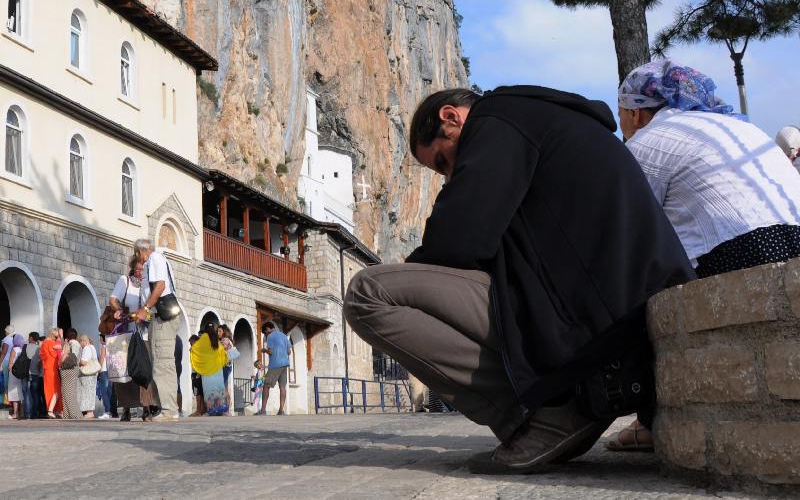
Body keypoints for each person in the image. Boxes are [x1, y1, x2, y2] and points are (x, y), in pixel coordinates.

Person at [343, 86, 695, 474]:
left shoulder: (497, 119)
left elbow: (459, 238)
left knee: (368, 293)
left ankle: (549, 416)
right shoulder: (541, 121)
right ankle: (549, 413)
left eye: (444, 162)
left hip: (596, 333)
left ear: (451, 117)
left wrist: (415, 270)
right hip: (609, 319)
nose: (449, 177)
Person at [613, 58, 800, 450]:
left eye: (621, 116)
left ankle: (649, 419)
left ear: (635, 111)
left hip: (739, 251)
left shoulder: (647, 143)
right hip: (793, 242)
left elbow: (623, 230)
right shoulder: (740, 127)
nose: (623, 127)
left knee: (625, 285)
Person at [133, 238, 182, 421]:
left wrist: (144, 309)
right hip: (158, 318)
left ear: (139, 252)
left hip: (162, 318)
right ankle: (166, 408)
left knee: (163, 363)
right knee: (160, 362)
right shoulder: (158, 259)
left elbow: (160, 286)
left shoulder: (154, 259)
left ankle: (169, 410)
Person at [109, 254, 156, 422]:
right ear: (132, 268)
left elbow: (152, 309)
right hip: (125, 334)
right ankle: (126, 409)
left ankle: (146, 408)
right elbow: (113, 300)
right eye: (137, 269)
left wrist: (146, 315)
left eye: (143, 269)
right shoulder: (124, 281)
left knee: (143, 370)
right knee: (124, 372)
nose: (140, 272)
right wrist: (120, 310)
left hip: (143, 334)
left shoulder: (149, 284)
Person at [189, 324, 228, 416]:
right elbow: (222, 353)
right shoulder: (216, 340)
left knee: (209, 390)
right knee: (218, 389)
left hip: (208, 369)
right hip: (217, 369)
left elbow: (195, 348)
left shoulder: (204, 338)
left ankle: (210, 410)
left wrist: (192, 350)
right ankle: (220, 409)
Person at [261, 320, 291, 415]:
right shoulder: (283, 335)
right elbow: (289, 351)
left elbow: (271, 352)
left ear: (267, 329)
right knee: (282, 387)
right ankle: (281, 410)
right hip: (285, 364)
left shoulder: (270, 336)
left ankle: (263, 410)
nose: (265, 335)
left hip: (275, 365)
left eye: (265, 333)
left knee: (266, 386)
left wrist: (264, 350)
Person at [40, 328, 63, 418]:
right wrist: (61, 337)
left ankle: (53, 410)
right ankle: (51, 410)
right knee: (56, 390)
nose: (57, 338)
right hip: (52, 370)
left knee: (49, 390)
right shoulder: (51, 343)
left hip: (47, 369)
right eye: (56, 336)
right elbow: (62, 347)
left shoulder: (44, 343)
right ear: (54, 335)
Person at [60, 329, 82, 420]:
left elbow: (65, 355)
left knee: (68, 394)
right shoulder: (78, 345)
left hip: (68, 369)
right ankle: (69, 414)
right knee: (69, 393)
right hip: (74, 369)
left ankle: (74, 415)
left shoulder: (70, 344)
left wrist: (62, 340)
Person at [77, 334, 99, 419]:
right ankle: (90, 412)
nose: (80, 344)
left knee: (86, 393)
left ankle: (89, 412)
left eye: (80, 342)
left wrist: (78, 362)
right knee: (91, 392)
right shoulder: (92, 347)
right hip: (93, 373)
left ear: (84, 341)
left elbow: (84, 362)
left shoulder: (86, 348)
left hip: (87, 374)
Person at [22, 332, 42, 420]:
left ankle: (27, 414)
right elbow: (41, 362)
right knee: (35, 394)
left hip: (25, 373)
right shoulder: (39, 348)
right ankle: (35, 413)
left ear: (31, 338)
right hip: (36, 374)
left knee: (26, 393)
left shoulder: (25, 347)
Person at [6, 333, 25, 419]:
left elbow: (10, 363)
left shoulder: (14, 349)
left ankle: (15, 413)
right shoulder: (23, 349)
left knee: (14, 394)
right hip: (22, 373)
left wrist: (9, 370)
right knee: (21, 393)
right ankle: (22, 413)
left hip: (14, 374)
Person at [218, 324, 235, 415]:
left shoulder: (225, 340)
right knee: (224, 387)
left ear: (224, 332)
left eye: (220, 331)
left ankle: (226, 409)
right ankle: (226, 409)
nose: (218, 333)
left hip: (225, 366)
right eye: (218, 331)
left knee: (223, 388)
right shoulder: (227, 340)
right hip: (226, 366)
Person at [187, 335, 206, 416]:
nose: (191, 345)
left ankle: (199, 410)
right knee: (198, 392)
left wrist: (199, 372)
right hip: (195, 372)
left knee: (198, 393)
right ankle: (201, 410)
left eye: (192, 343)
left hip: (198, 373)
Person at [96, 334, 113, 419]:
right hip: (111, 370)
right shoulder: (111, 345)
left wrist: (98, 370)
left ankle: (107, 411)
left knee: (104, 391)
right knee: (110, 391)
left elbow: (102, 359)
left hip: (104, 370)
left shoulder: (103, 346)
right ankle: (111, 411)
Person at [1, 325, 15, 405]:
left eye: (5, 331)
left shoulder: (6, 340)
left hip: (5, 362)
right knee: (9, 382)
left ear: (7, 331)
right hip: (10, 362)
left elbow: (3, 353)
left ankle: (6, 402)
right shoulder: (13, 339)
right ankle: (9, 401)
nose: (4, 332)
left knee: (5, 382)